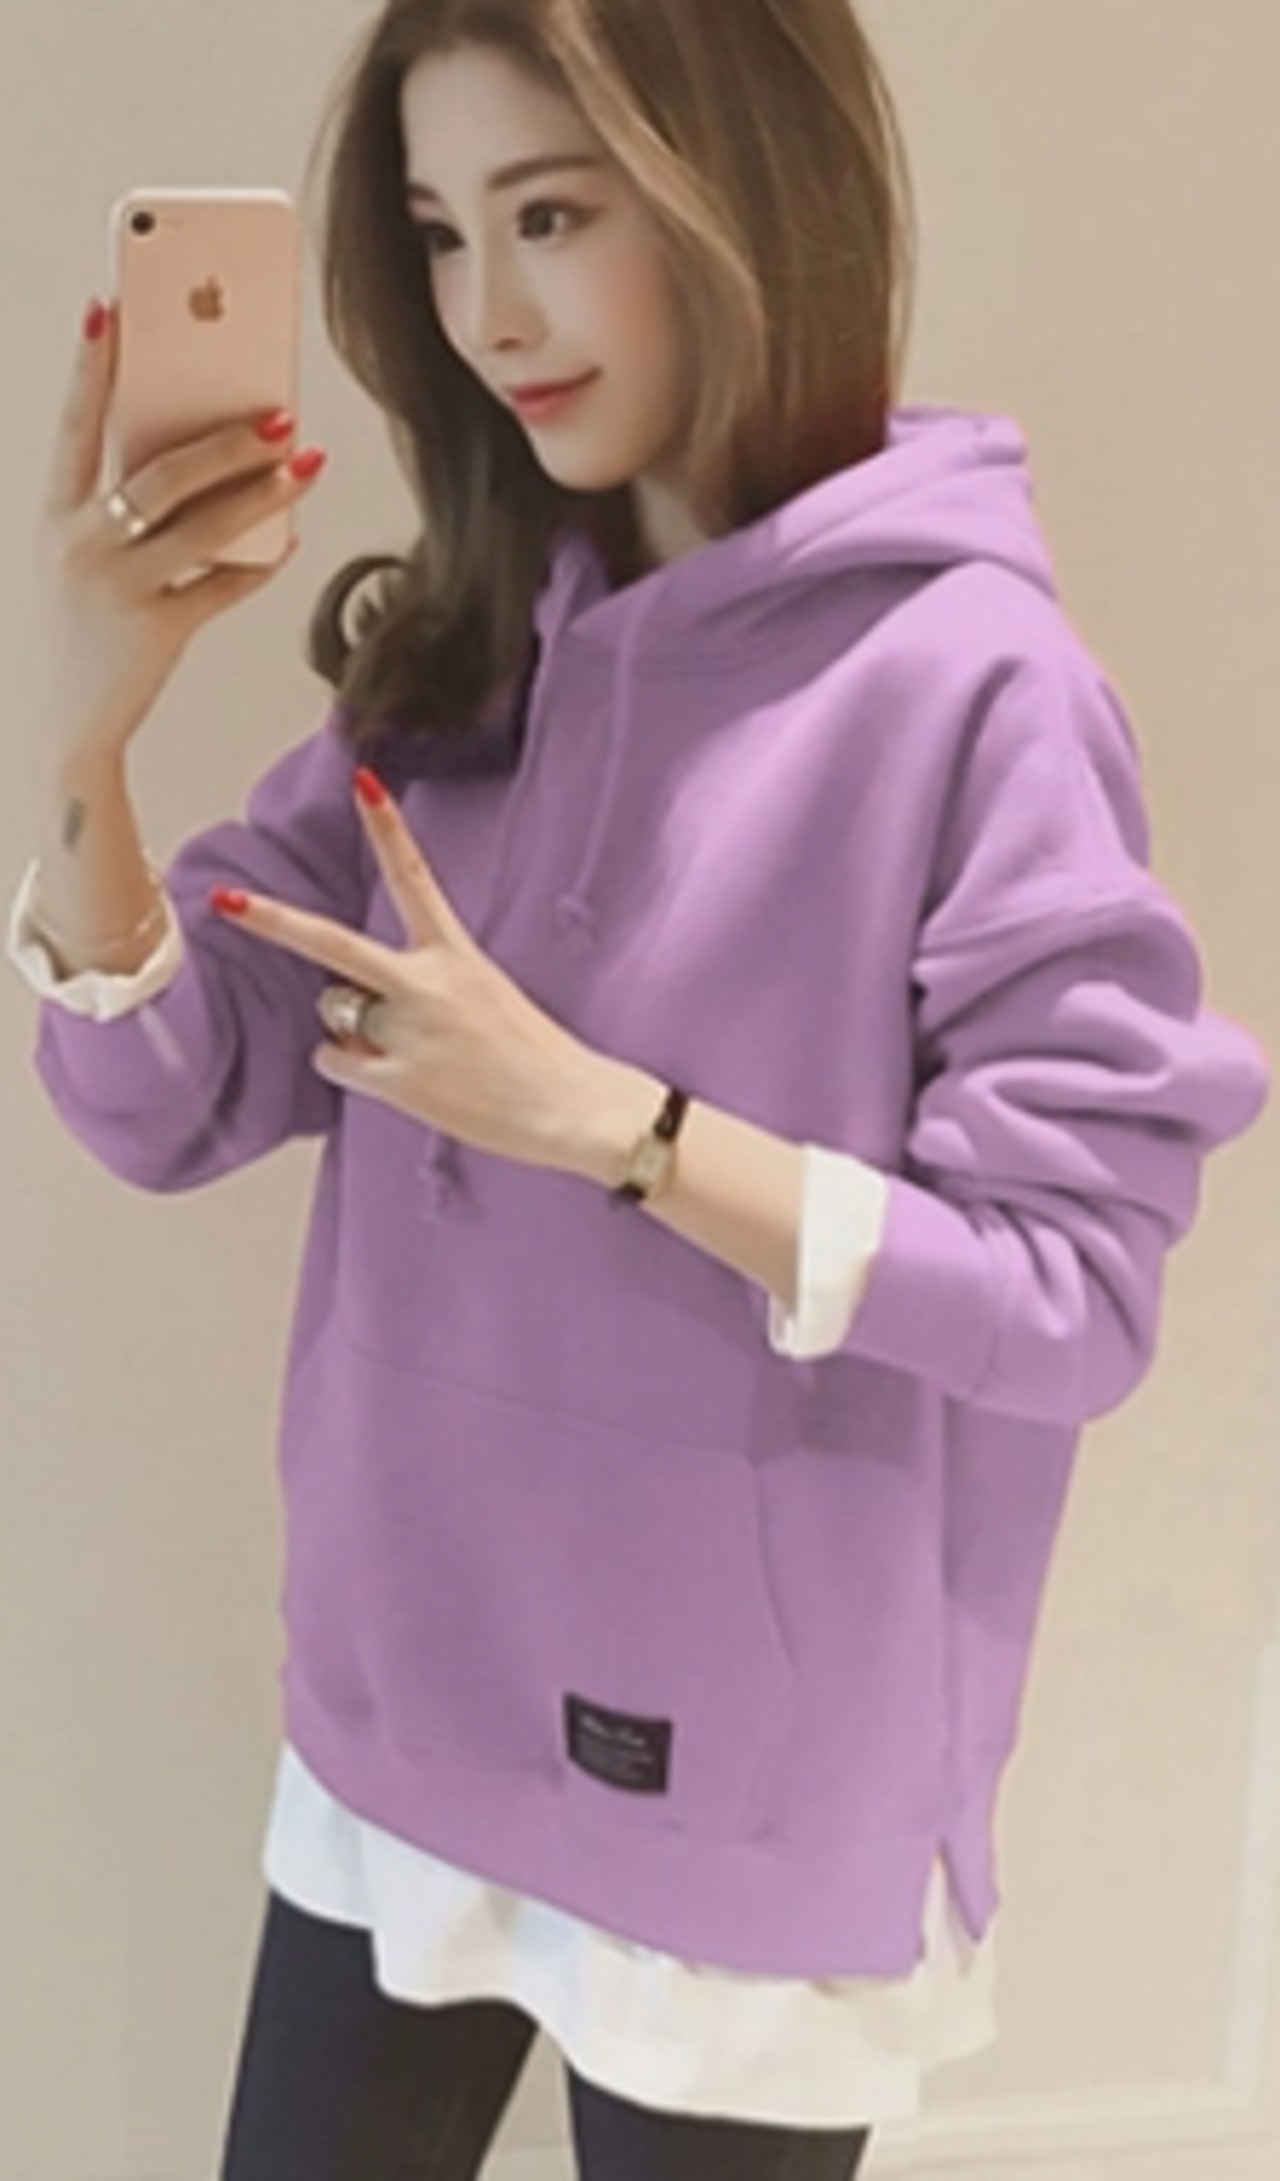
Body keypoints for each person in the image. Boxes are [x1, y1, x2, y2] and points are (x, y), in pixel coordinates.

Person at [10, 3, 1272, 2177]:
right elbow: (164, 1097)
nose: (488, 315)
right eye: (439, 232)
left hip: (745, 1799)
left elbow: (1072, 1295)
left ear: (745, 193)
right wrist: (82, 727)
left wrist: (620, 1128)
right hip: (406, 1704)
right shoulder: (471, 649)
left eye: (551, 215)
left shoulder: (971, 687)